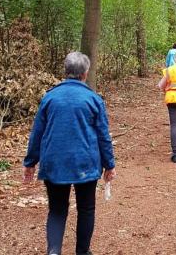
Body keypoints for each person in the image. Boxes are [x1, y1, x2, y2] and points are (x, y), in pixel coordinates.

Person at [23, 51, 116, 255]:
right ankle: (82, 252)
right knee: (86, 209)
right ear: (85, 73)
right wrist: (109, 164)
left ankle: (54, 251)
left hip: (54, 162)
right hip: (85, 163)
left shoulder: (49, 97)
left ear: (66, 72)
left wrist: (30, 162)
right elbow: (103, 135)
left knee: (57, 210)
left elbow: (37, 132)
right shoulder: (93, 99)